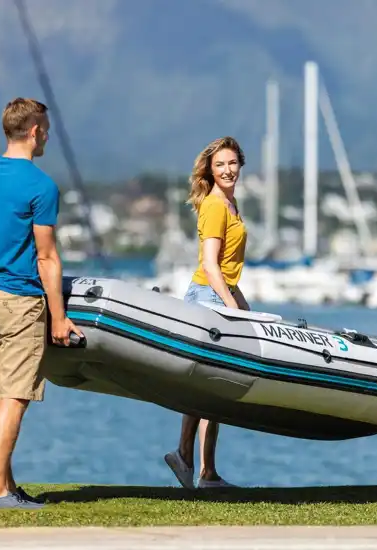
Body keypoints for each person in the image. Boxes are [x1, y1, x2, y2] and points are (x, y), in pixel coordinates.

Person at [0, 98, 83, 509]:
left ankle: (3, 482)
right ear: (35, 130)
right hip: (17, 300)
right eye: (47, 130)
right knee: (16, 396)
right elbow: (47, 257)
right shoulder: (40, 186)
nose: (48, 136)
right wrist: (59, 317)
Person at [164, 136, 249, 489]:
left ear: (240, 164)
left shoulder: (230, 203)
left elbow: (227, 272)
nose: (228, 170)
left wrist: (243, 305)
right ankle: (193, 461)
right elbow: (211, 267)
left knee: (210, 389)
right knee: (208, 388)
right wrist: (234, 311)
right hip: (208, 298)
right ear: (210, 171)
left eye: (232, 163)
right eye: (220, 165)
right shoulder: (215, 206)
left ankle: (202, 468)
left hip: (218, 295)